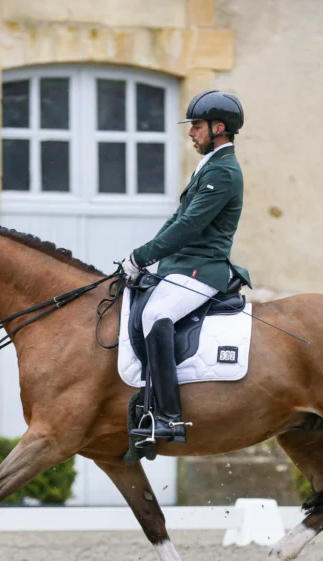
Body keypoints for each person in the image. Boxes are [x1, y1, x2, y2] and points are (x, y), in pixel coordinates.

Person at [119, 89, 251, 444]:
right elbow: (177, 218)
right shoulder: (209, 165)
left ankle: (170, 418)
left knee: (156, 315)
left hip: (202, 268)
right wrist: (141, 257)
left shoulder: (224, 172)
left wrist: (141, 257)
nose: (191, 133)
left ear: (218, 128)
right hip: (181, 265)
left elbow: (189, 227)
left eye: (197, 126)